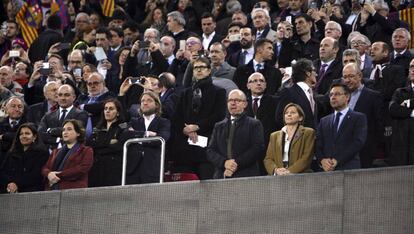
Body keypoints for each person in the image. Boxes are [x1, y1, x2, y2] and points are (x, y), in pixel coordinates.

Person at [172, 57, 226, 180]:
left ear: (209, 71)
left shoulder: (219, 92)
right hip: (185, 149)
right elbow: (176, 117)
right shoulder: (185, 93)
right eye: (196, 68)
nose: (199, 70)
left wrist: (197, 126)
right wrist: (185, 130)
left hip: (207, 148)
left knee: (207, 185)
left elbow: (219, 115)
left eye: (202, 67)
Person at [207, 89, 264, 179]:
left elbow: (257, 148)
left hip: (246, 176)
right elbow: (210, 151)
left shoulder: (254, 124)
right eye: (230, 100)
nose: (233, 103)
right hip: (221, 175)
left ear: (245, 104)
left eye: (237, 100)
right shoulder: (218, 126)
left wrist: (235, 164)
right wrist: (224, 163)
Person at [316, 83, 367, 171]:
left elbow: (358, 142)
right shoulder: (324, 121)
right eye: (331, 95)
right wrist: (322, 160)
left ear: (347, 97)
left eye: (337, 94)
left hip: (349, 169)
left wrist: (338, 160)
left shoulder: (358, 118)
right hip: (327, 171)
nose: (333, 97)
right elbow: (318, 144)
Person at [124, 91, 171, 184]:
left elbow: (161, 139)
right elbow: (126, 135)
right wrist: (145, 134)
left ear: (156, 105)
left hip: (153, 168)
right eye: (143, 101)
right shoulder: (133, 121)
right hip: (133, 169)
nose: (145, 103)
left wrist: (137, 139)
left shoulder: (164, 122)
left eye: (149, 100)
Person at [264, 103, 315, 175]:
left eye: (293, 112)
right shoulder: (274, 136)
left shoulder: (308, 132)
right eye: (286, 113)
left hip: (300, 175)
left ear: (300, 117)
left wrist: (289, 171)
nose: (289, 114)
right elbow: (268, 159)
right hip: (279, 176)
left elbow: (307, 157)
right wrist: (276, 170)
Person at [42, 119, 94, 190]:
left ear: (78, 133)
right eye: (63, 130)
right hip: (53, 190)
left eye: (69, 129)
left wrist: (58, 175)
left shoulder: (86, 150)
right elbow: (45, 168)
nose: (65, 132)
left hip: (74, 191)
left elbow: (82, 169)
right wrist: (49, 174)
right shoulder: (55, 151)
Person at [87, 99, 126, 187]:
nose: (107, 111)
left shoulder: (123, 127)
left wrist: (98, 145)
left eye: (111, 109)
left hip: (114, 168)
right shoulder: (97, 128)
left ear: (118, 112)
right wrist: (108, 142)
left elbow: (118, 146)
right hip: (96, 168)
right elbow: (89, 145)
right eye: (105, 109)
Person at [0, 123, 48, 193]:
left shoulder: (42, 153)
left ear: (34, 137)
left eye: (27, 133)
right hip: (8, 191)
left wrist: (16, 184)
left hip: (31, 193)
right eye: (21, 134)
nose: (24, 136)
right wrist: (10, 184)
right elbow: (3, 172)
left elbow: (36, 175)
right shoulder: (11, 153)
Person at [388, 58, 414, 166]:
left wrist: (408, 103)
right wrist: (412, 113)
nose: (413, 70)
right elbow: (393, 109)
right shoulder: (400, 92)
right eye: (412, 67)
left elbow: (400, 110)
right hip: (403, 148)